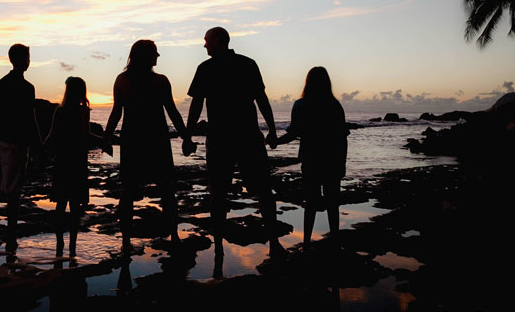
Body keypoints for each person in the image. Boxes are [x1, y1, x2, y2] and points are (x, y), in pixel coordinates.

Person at [184, 27, 286, 260]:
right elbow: (261, 99)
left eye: (207, 41)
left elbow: (196, 105)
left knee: (219, 193)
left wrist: (188, 136)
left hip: (222, 138)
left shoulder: (206, 68)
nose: (204, 46)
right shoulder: (247, 64)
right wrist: (270, 129)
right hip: (247, 135)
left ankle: (219, 246)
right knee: (262, 190)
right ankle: (273, 242)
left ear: (218, 41)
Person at [104, 40, 192, 244]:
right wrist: (185, 137)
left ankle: (126, 240)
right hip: (156, 139)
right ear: (145, 56)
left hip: (133, 139)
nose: (158, 56)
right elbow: (173, 112)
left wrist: (107, 139)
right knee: (166, 189)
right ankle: (174, 236)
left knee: (129, 189)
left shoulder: (123, 80)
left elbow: (117, 112)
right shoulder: (160, 81)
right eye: (155, 52)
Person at [276, 66, 348, 246]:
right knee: (332, 202)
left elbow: (293, 133)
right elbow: (342, 137)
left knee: (311, 202)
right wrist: (342, 163)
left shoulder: (300, 105)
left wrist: (275, 142)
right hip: (332, 158)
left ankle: (306, 241)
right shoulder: (334, 105)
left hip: (310, 158)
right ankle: (335, 240)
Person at [0, 43, 40, 242]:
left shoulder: (0, 83)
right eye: (28, 57)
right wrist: (37, 145)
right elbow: (29, 119)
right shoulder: (26, 87)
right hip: (14, 142)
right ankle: (11, 234)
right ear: (25, 60)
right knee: (13, 190)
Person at [45, 76, 104, 229]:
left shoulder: (60, 111)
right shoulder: (83, 111)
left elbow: (52, 135)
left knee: (61, 202)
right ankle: (72, 247)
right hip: (78, 160)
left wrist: (39, 150)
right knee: (75, 205)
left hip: (63, 160)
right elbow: (87, 135)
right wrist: (105, 140)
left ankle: (59, 245)